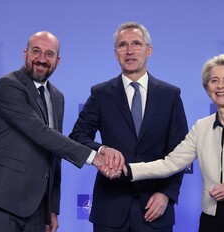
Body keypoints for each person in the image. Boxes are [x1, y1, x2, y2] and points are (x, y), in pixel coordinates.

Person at [0, 31, 124, 232]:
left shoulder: (57, 97)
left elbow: (54, 153)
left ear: (57, 61)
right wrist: (94, 157)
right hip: (0, 201)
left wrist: (51, 208)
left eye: (49, 54)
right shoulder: (8, 86)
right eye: (36, 51)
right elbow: (39, 132)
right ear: (25, 54)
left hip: (35, 207)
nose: (41, 59)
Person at [116, 54, 224, 232]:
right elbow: (170, 163)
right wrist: (127, 169)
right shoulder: (201, 127)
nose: (220, 86)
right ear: (207, 87)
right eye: (214, 81)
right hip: (210, 218)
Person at [69, 22, 188, 232]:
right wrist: (102, 151)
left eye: (136, 44)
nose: (130, 51)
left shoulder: (170, 95)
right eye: (123, 45)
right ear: (115, 53)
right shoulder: (101, 93)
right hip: (110, 208)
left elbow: (181, 153)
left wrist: (167, 194)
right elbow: (77, 136)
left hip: (155, 209)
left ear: (148, 50)